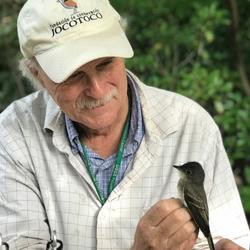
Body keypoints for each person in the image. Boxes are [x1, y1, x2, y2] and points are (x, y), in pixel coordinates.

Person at [0, 0, 249, 249]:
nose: (97, 90)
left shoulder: (192, 126)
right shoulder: (13, 135)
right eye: (73, 75)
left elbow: (223, 238)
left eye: (105, 63)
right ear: (37, 75)